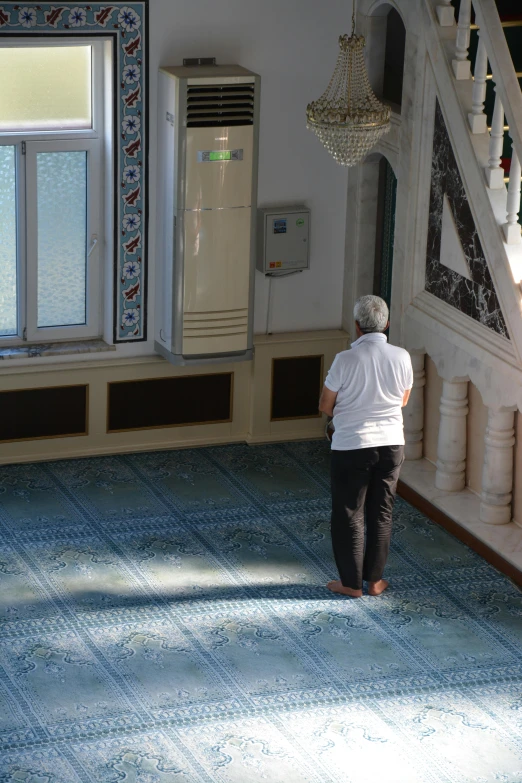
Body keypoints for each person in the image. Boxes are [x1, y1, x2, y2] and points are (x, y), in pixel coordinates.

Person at [318, 295, 413, 598]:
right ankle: (374, 582)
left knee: (349, 513)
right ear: (386, 324)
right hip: (391, 445)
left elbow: (325, 405)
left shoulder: (345, 360)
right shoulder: (402, 357)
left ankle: (350, 584)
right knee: (381, 512)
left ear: (357, 326)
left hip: (352, 446)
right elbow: (403, 400)